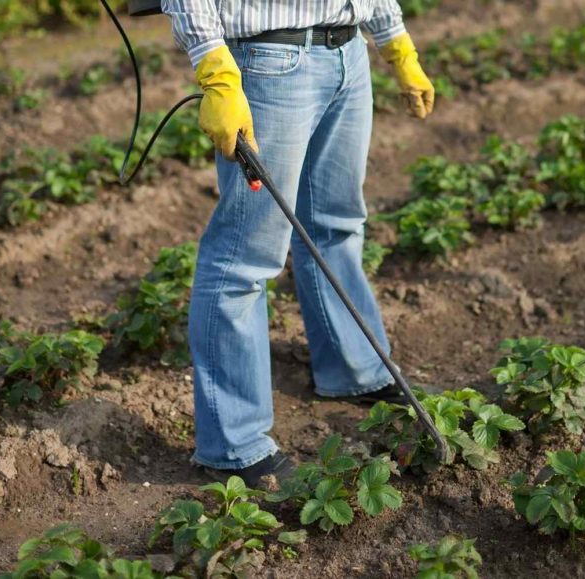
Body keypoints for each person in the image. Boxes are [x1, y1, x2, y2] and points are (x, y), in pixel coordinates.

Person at [161, 0, 435, 486]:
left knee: (337, 225)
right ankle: (234, 444)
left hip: (348, 54)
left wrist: (395, 41)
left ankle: (354, 371)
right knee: (245, 256)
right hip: (271, 62)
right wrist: (215, 69)